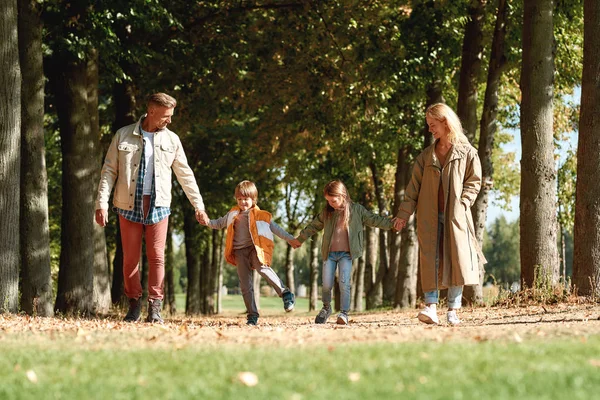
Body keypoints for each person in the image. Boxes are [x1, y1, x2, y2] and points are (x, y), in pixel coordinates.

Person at [95, 92, 208, 323]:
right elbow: (109, 171)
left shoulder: (172, 140)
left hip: (158, 206)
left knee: (157, 257)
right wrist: (101, 203)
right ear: (152, 111)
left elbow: (185, 174)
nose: (170, 120)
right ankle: (134, 304)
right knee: (130, 259)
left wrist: (199, 205)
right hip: (128, 204)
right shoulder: (123, 135)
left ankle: (155, 307)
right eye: (166, 116)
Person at [393, 103, 485, 326]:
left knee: (457, 260)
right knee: (430, 260)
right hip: (429, 217)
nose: (430, 129)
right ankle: (431, 306)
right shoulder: (425, 157)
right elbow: (412, 189)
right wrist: (403, 215)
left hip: (457, 218)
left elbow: (474, 181)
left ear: (446, 122)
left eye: (433, 125)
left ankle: (453, 310)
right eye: (428, 125)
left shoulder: (467, 152)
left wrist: (463, 203)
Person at [289, 180, 396, 325]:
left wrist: (392, 224)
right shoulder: (327, 212)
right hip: (330, 254)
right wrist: (300, 239)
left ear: (342, 195)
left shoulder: (357, 210)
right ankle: (326, 308)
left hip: (346, 254)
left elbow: (374, 220)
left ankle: (344, 313)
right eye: (328, 201)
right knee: (326, 284)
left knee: (345, 283)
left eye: (333, 200)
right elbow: (313, 226)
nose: (331, 204)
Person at [200, 180, 296, 326]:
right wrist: (207, 221)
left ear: (253, 199)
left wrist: (290, 239)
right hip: (239, 252)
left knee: (263, 268)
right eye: (239, 199)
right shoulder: (232, 214)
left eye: (246, 199)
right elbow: (219, 223)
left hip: (255, 250)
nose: (243, 202)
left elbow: (276, 229)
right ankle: (252, 315)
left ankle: (285, 293)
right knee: (245, 285)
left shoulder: (261, 215)